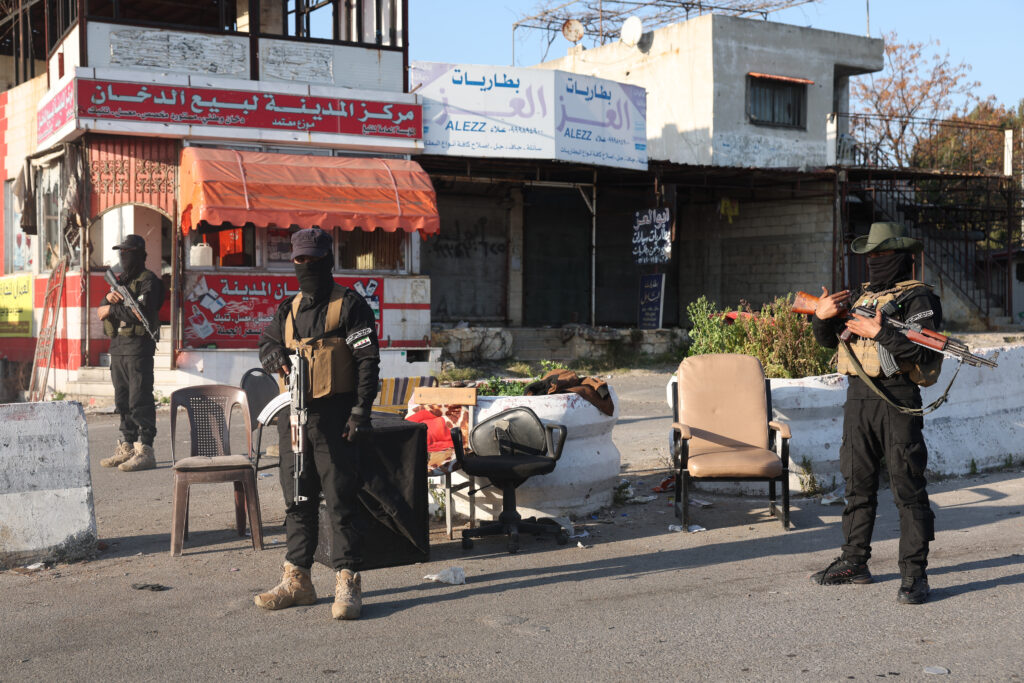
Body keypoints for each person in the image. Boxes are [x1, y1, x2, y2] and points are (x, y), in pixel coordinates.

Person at [810, 221, 942, 605]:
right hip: (859, 397)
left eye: (883, 254)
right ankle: (854, 561)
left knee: (907, 488)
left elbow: (925, 352)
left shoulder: (919, 298)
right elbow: (831, 341)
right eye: (871, 255)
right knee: (857, 484)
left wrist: (881, 333)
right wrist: (821, 316)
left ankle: (914, 575)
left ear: (900, 256)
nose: (875, 261)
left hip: (898, 397)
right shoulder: (863, 296)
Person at [254, 227, 380, 621]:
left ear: (328, 260)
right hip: (293, 420)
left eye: (313, 259)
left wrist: (360, 412)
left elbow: (367, 362)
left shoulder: (350, 305)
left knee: (341, 500)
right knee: (298, 498)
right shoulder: (288, 309)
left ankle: (347, 580)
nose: (306, 266)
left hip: (336, 419)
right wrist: (273, 355)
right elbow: (267, 342)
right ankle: (298, 580)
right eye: (300, 259)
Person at [97, 234, 164, 472]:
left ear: (140, 255)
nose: (124, 257)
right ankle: (127, 445)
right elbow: (101, 311)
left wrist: (111, 309)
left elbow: (141, 312)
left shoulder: (149, 281)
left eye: (128, 253)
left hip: (138, 348)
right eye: (122, 253)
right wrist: (108, 300)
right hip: (118, 348)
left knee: (140, 399)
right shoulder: (120, 281)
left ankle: (145, 449)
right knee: (122, 400)